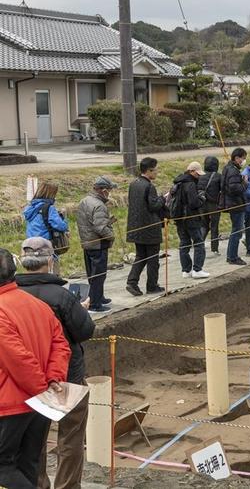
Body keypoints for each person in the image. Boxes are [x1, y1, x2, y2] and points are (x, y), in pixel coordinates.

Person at [16, 238, 94, 489]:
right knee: (70, 438)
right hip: (67, 374)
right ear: (50, 260)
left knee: (35, 439)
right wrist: (81, 309)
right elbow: (84, 330)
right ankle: (67, 485)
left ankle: (39, 484)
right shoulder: (61, 295)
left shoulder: (13, 295)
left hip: (29, 378)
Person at [0, 248, 71, 489]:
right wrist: (52, 380)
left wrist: (42, 387)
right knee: (27, 464)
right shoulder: (37, 305)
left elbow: (18, 360)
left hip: (11, 405)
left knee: (4, 467)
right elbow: (60, 345)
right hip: (40, 401)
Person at [125, 157, 166, 297]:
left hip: (136, 227)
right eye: (155, 170)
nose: (157, 173)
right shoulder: (149, 186)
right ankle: (152, 286)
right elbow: (154, 205)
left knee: (141, 256)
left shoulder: (133, 184)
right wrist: (163, 198)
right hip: (150, 227)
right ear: (149, 171)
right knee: (153, 259)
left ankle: (132, 281)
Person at [76, 177, 117, 312]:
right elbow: (100, 227)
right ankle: (94, 304)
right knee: (99, 275)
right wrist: (111, 236)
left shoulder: (84, 201)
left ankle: (98, 296)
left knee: (92, 273)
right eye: (109, 190)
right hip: (98, 244)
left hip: (87, 242)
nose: (110, 193)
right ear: (103, 190)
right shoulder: (99, 205)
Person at [23, 182, 69, 277]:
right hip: (45, 245)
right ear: (51, 194)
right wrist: (64, 219)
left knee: (34, 271)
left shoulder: (29, 208)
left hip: (30, 245)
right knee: (52, 273)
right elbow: (60, 226)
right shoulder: (49, 208)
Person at [173, 162, 209, 279]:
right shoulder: (190, 184)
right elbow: (193, 203)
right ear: (191, 171)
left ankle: (186, 270)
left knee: (184, 244)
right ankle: (197, 269)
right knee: (198, 243)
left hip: (179, 219)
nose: (198, 176)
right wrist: (202, 198)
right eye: (197, 174)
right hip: (191, 218)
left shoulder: (178, 183)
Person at [220, 148, 249, 265]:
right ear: (237, 158)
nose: (244, 160)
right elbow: (234, 188)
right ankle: (232, 256)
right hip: (236, 204)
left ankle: (232, 255)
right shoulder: (233, 171)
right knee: (237, 231)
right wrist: (244, 183)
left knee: (236, 230)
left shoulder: (229, 168)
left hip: (233, 203)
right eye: (243, 158)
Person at [198, 156, 222, 255]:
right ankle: (214, 248)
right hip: (214, 204)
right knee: (214, 226)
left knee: (203, 225)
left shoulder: (200, 176)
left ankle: (199, 244)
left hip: (202, 204)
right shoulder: (218, 176)